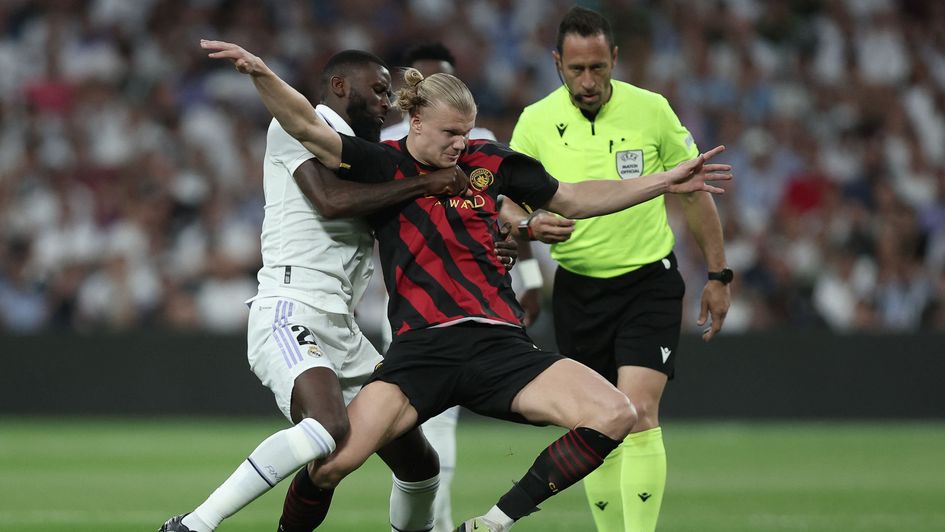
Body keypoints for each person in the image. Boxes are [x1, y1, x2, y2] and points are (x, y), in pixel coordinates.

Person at [200, 38, 730, 532]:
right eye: (451, 132)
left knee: (618, 412)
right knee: (330, 465)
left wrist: (663, 181)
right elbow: (309, 130)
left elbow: (573, 197)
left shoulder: (491, 162)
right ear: (415, 120)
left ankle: (494, 521)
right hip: (421, 352)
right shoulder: (383, 167)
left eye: (467, 131)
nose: (462, 143)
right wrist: (263, 73)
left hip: (499, 343)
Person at [159, 50, 484, 532]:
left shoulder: (370, 158)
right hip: (290, 308)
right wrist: (424, 184)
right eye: (376, 89)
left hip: (344, 327)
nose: (385, 101)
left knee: (419, 463)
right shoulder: (298, 128)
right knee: (329, 429)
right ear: (338, 87)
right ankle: (194, 525)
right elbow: (330, 202)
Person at [509, 6, 733, 532]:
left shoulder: (652, 111)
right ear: (556, 62)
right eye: (575, 70)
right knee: (597, 423)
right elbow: (504, 200)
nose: (588, 82)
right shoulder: (535, 123)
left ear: (614, 58)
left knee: (638, 411)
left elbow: (696, 194)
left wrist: (719, 275)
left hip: (647, 283)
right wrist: (530, 224)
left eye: (598, 68)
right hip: (578, 289)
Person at [378, 42, 561, 532]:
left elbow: (499, 210)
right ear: (413, 102)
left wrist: (525, 272)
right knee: (402, 430)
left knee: (438, 423)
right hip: (408, 300)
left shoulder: (475, 141)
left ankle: (435, 524)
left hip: (474, 300)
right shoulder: (387, 145)